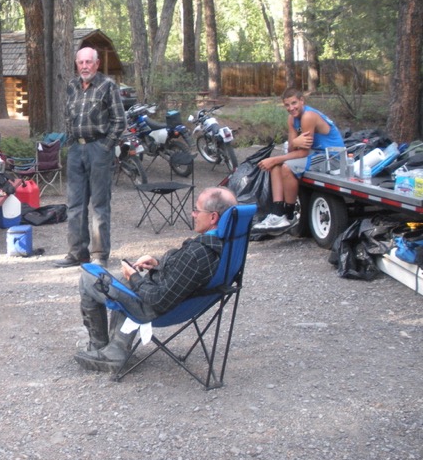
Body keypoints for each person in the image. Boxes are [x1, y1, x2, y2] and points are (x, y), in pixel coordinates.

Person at [74, 187, 238, 372]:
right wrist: (158, 265)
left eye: (197, 210)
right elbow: (185, 276)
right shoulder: (227, 246)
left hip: (153, 309)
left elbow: (158, 300)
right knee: (120, 281)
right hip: (186, 303)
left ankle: (101, 347)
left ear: (213, 217)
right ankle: (116, 347)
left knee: (89, 278)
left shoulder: (198, 253)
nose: (193, 214)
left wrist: (135, 277)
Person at [54, 47, 126, 268]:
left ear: (96, 64)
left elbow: (120, 121)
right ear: (76, 64)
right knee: (75, 204)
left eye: (89, 62)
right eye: (81, 62)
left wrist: (105, 146)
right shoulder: (72, 87)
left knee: (99, 205)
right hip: (76, 149)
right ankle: (77, 253)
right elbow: (68, 117)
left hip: (98, 149)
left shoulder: (108, 86)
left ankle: (99, 255)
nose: (85, 66)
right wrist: (69, 142)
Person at [253, 88, 345, 232]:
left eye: (294, 103)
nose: (291, 108)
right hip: (315, 154)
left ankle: (289, 215)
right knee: (276, 165)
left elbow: (302, 153)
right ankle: (278, 215)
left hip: (332, 157)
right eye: (287, 105)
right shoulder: (292, 119)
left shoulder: (308, 116)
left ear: (302, 101)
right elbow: (292, 150)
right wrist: (294, 143)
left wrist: (278, 156)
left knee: (286, 167)